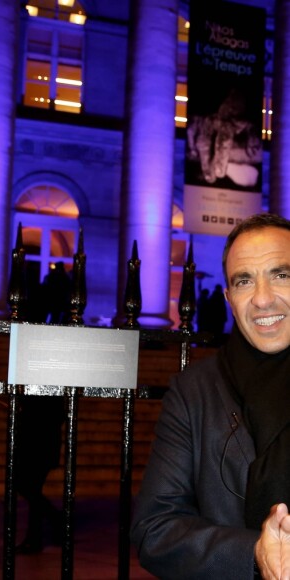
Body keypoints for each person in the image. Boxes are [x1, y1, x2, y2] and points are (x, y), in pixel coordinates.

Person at [131, 213, 290, 579]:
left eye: (280, 275)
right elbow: (154, 529)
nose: (263, 300)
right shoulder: (195, 392)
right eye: (244, 281)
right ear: (229, 298)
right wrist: (252, 553)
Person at [14, 395, 65, 554]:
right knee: (30, 489)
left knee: (27, 487)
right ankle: (53, 522)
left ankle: (41, 532)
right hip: (38, 443)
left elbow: (56, 415)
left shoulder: (49, 389)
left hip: (39, 443)